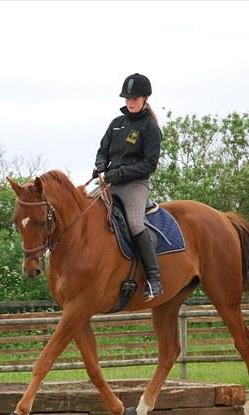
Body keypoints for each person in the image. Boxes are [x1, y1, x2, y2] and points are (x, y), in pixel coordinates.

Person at [93, 73, 163, 300]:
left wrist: (123, 172)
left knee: (134, 224)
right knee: (85, 210)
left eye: (135, 98)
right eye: (127, 98)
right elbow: (103, 149)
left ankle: (154, 280)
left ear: (144, 98)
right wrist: (100, 165)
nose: (130, 101)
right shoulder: (116, 124)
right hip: (110, 182)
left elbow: (149, 164)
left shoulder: (150, 128)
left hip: (135, 185)